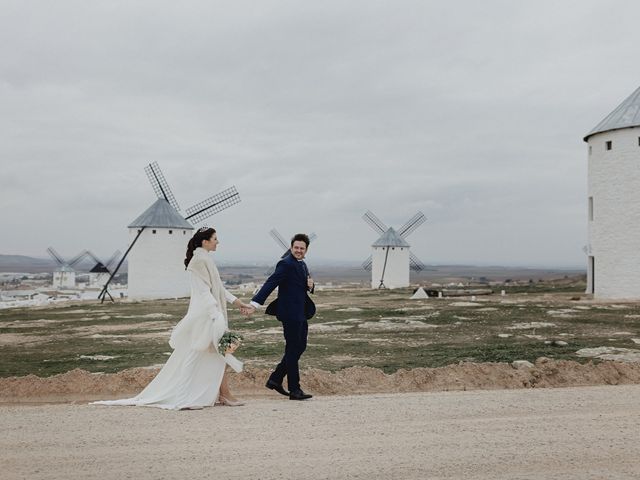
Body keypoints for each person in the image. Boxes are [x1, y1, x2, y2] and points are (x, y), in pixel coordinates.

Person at [92, 227, 252, 410]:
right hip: (208, 316)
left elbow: (218, 288)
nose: (218, 242)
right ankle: (186, 396)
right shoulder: (198, 261)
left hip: (214, 314)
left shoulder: (205, 259)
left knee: (222, 352)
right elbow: (203, 290)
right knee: (197, 353)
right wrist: (215, 313)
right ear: (204, 241)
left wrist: (237, 302)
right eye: (215, 238)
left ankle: (224, 394)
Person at [246, 233, 315, 400]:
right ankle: (294, 390)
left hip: (301, 313)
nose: (298, 250)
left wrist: (311, 286)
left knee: (300, 347)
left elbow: (301, 285)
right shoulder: (285, 264)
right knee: (292, 350)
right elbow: (271, 283)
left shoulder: (303, 264)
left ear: (306, 250)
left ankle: (276, 379)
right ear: (291, 247)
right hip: (290, 314)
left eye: (302, 248)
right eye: (296, 247)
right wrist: (255, 304)